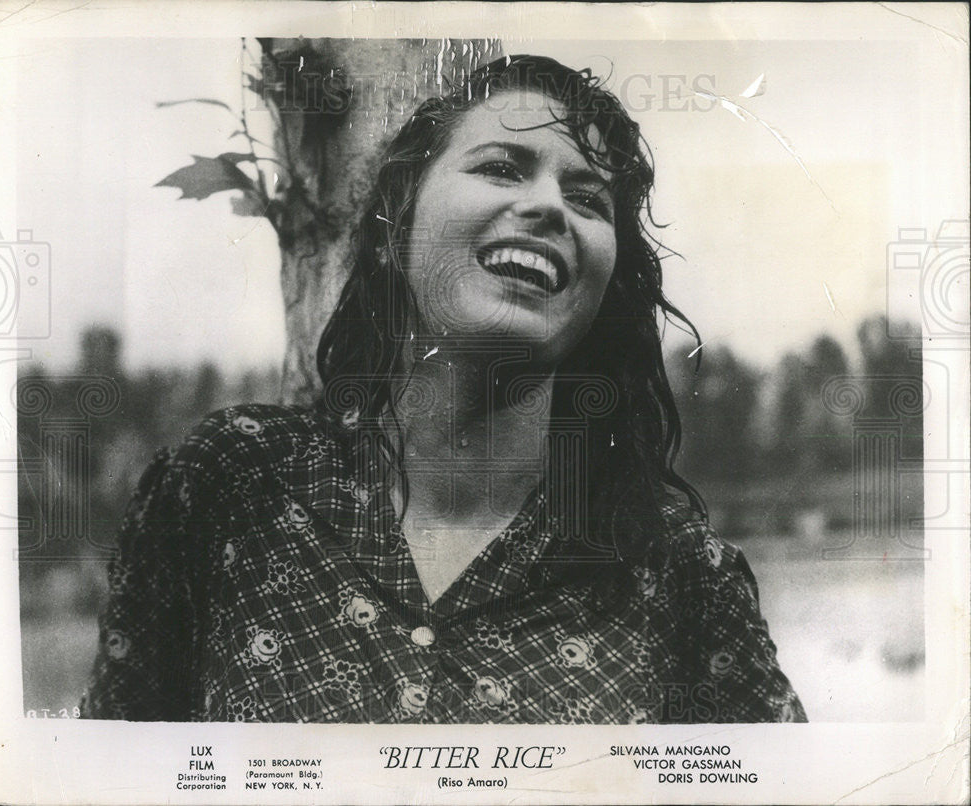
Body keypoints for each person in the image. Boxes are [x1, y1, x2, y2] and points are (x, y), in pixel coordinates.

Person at [80, 54, 806, 724]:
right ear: (397, 234)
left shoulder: (681, 576)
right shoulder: (234, 488)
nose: (551, 206)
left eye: (589, 200)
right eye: (501, 168)